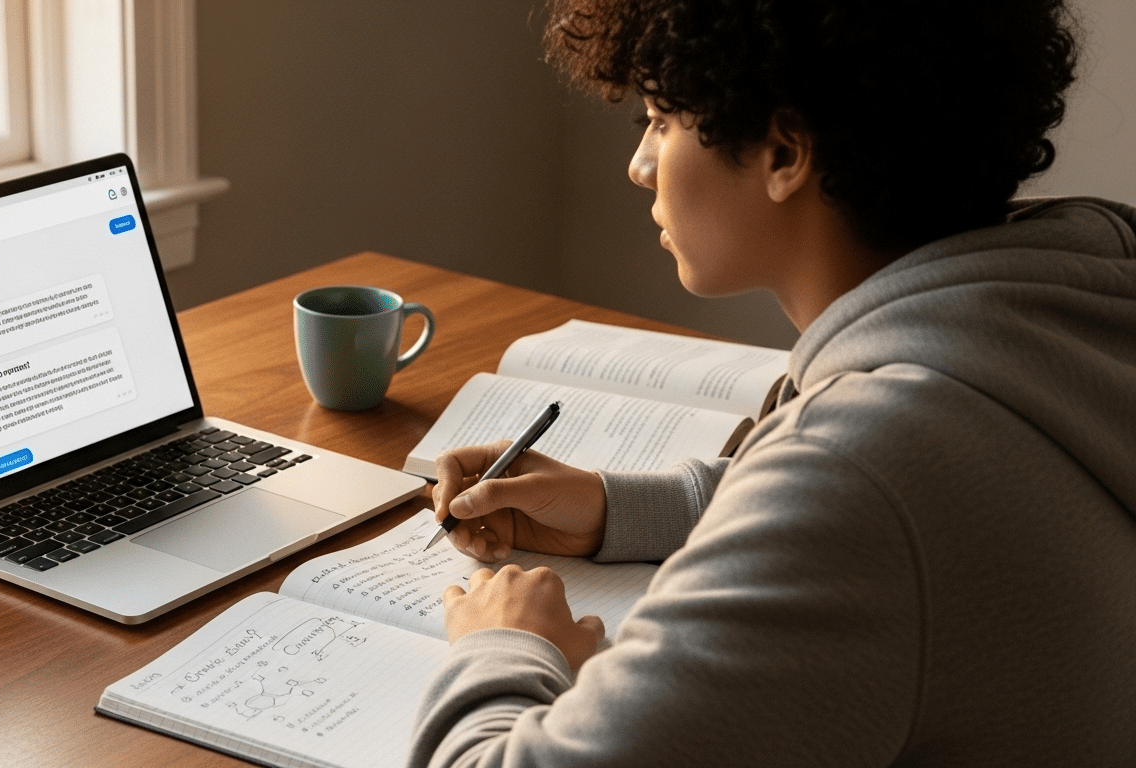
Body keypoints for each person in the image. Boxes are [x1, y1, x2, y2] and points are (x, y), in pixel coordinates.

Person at [408, 0, 1136, 765]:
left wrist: (506, 645)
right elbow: (911, 517)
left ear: (785, 152)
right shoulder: (1070, 289)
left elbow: (861, 502)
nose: (640, 165)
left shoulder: (862, 469)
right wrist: (620, 509)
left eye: (660, 119)